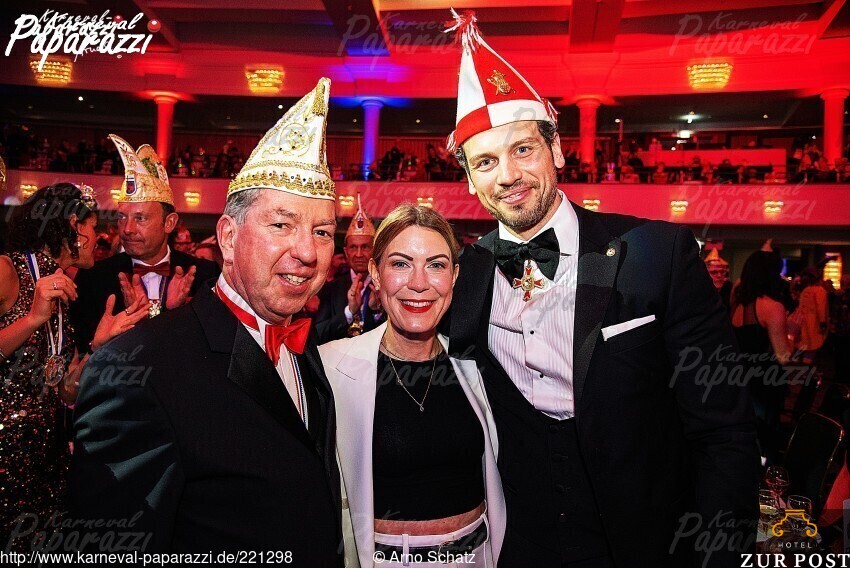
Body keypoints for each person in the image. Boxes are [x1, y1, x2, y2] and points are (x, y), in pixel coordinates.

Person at [443, 11, 759, 567]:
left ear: (557, 151)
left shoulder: (656, 254)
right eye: (485, 162)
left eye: (523, 150)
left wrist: (719, 553)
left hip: (646, 544)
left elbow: (723, 431)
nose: (507, 175)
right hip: (523, 545)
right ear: (470, 180)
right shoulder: (465, 276)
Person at [71, 78, 344, 560]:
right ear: (228, 237)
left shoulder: (307, 352)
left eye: (322, 231)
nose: (307, 251)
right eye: (282, 224)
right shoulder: (138, 370)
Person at [321, 205, 505, 567]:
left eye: (436, 265)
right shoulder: (331, 367)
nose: (419, 283)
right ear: (376, 273)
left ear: (454, 276)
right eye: (401, 264)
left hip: (479, 556)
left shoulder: (477, 365)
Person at [1, 184, 146, 550]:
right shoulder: (6, 270)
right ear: (73, 226)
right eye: (94, 227)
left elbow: (63, 389)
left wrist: (99, 348)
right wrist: (33, 318)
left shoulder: (63, 288)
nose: (100, 237)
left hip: (45, 461)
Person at [71, 135, 220, 349]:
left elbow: (214, 348)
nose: (127, 229)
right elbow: (79, 351)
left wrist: (175, 313)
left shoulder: (204, 275)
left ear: (169, 223)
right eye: (122, 217)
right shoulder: (95, 277)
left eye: (140, 218)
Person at [730, 251, 794, 464]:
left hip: (738, 380)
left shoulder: (737, 303)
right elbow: (783, 356)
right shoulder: (773, 307)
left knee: (746, 437)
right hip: (764, 384)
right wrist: (793, 333)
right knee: (765, 440)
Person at [315, 196, 385, 343]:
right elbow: (318, 334)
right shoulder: (331, 288)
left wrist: (377, 311)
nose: (359, 254)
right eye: (353, 247)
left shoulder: (385, 287)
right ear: (346, 252)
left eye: (365, 247)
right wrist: (349, 313)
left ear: (375, 251)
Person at [704, 248, 733, 313]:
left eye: (722, 272)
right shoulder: (698, 290)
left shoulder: (730, 290)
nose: (719, 275)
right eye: (714, 272)